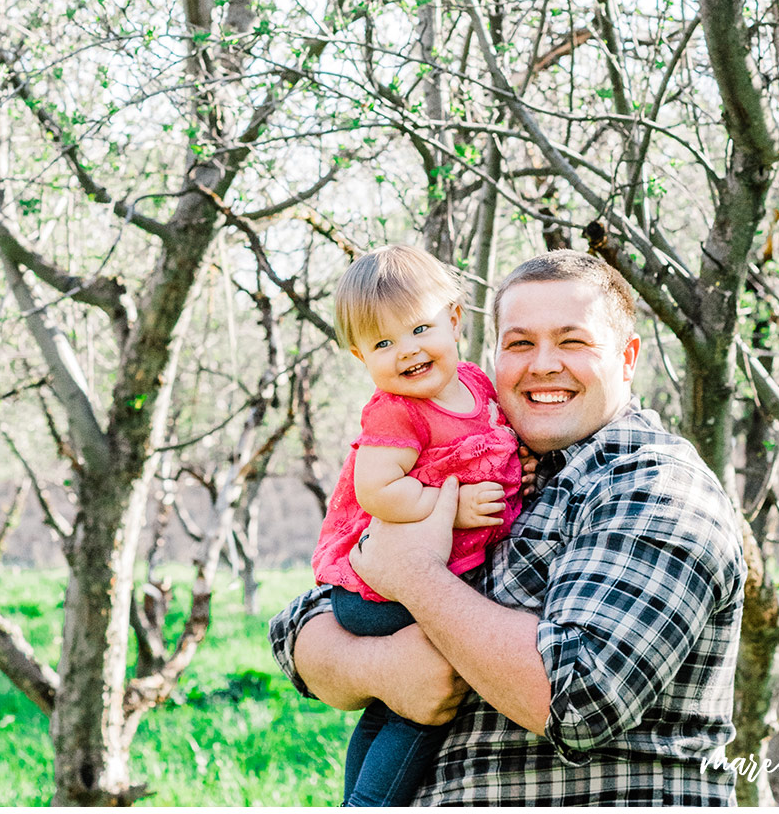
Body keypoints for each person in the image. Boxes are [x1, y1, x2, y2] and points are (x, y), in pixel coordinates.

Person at [270, 249, 746, 807]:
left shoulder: (655, 488)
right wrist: (381, 669)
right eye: (520, 343)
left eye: (572, 341)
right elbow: (300, 628)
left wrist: (415, 576)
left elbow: (581, 701)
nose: (543, 364)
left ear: (627, 358)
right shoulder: (476, 458)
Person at [307, 244, 522, 807]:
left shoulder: (476, 385)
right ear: (360, 356)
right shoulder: (396, 412)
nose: (406, 351)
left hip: (403, 579)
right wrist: (448, 509)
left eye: (418, 328)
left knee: (387, 706)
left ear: (454, 318)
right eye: (382, 343)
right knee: (424, 697)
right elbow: (376, 490)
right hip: (380, 589)